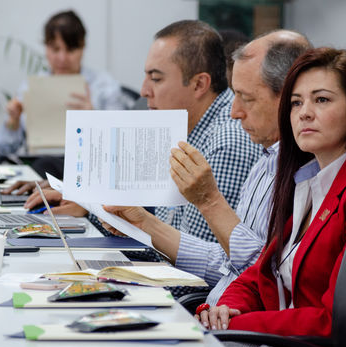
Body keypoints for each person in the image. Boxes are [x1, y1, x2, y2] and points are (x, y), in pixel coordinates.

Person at [204, 48, 346, 347]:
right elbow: (258, 276)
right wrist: (224, 310)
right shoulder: (307, 183)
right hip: (272, 343)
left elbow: (337, 320)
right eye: (296, 102)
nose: (304, 112)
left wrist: (236, 325)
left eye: (321, 99)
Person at [102, 30, 312, 307]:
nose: (235, 111)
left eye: (246, 98)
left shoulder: (235, 144)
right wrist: (144, 224)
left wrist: (209, 201)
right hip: (216, 313)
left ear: (288, 97)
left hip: (234, 327)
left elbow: (267, 280)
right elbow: (228, 265)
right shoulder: (267, 159)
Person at [15, 20, 262, 245]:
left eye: (156, 79)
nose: (143, 91)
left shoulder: (227, 144)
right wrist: (89, 202)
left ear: (199, 84)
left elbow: (197, 262)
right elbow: (162, 222)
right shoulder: (182, 127)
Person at [0, 10, 135, 158]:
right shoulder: (30, 88)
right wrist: (13, 121)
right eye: (55, 49)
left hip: (87, 162)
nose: (62, 58)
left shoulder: (105, 86)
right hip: (38, 165)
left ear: (83, 47)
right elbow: (3, 150)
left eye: (70, 50)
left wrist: (94, 119)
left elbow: (121, 145)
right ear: (46, 48)